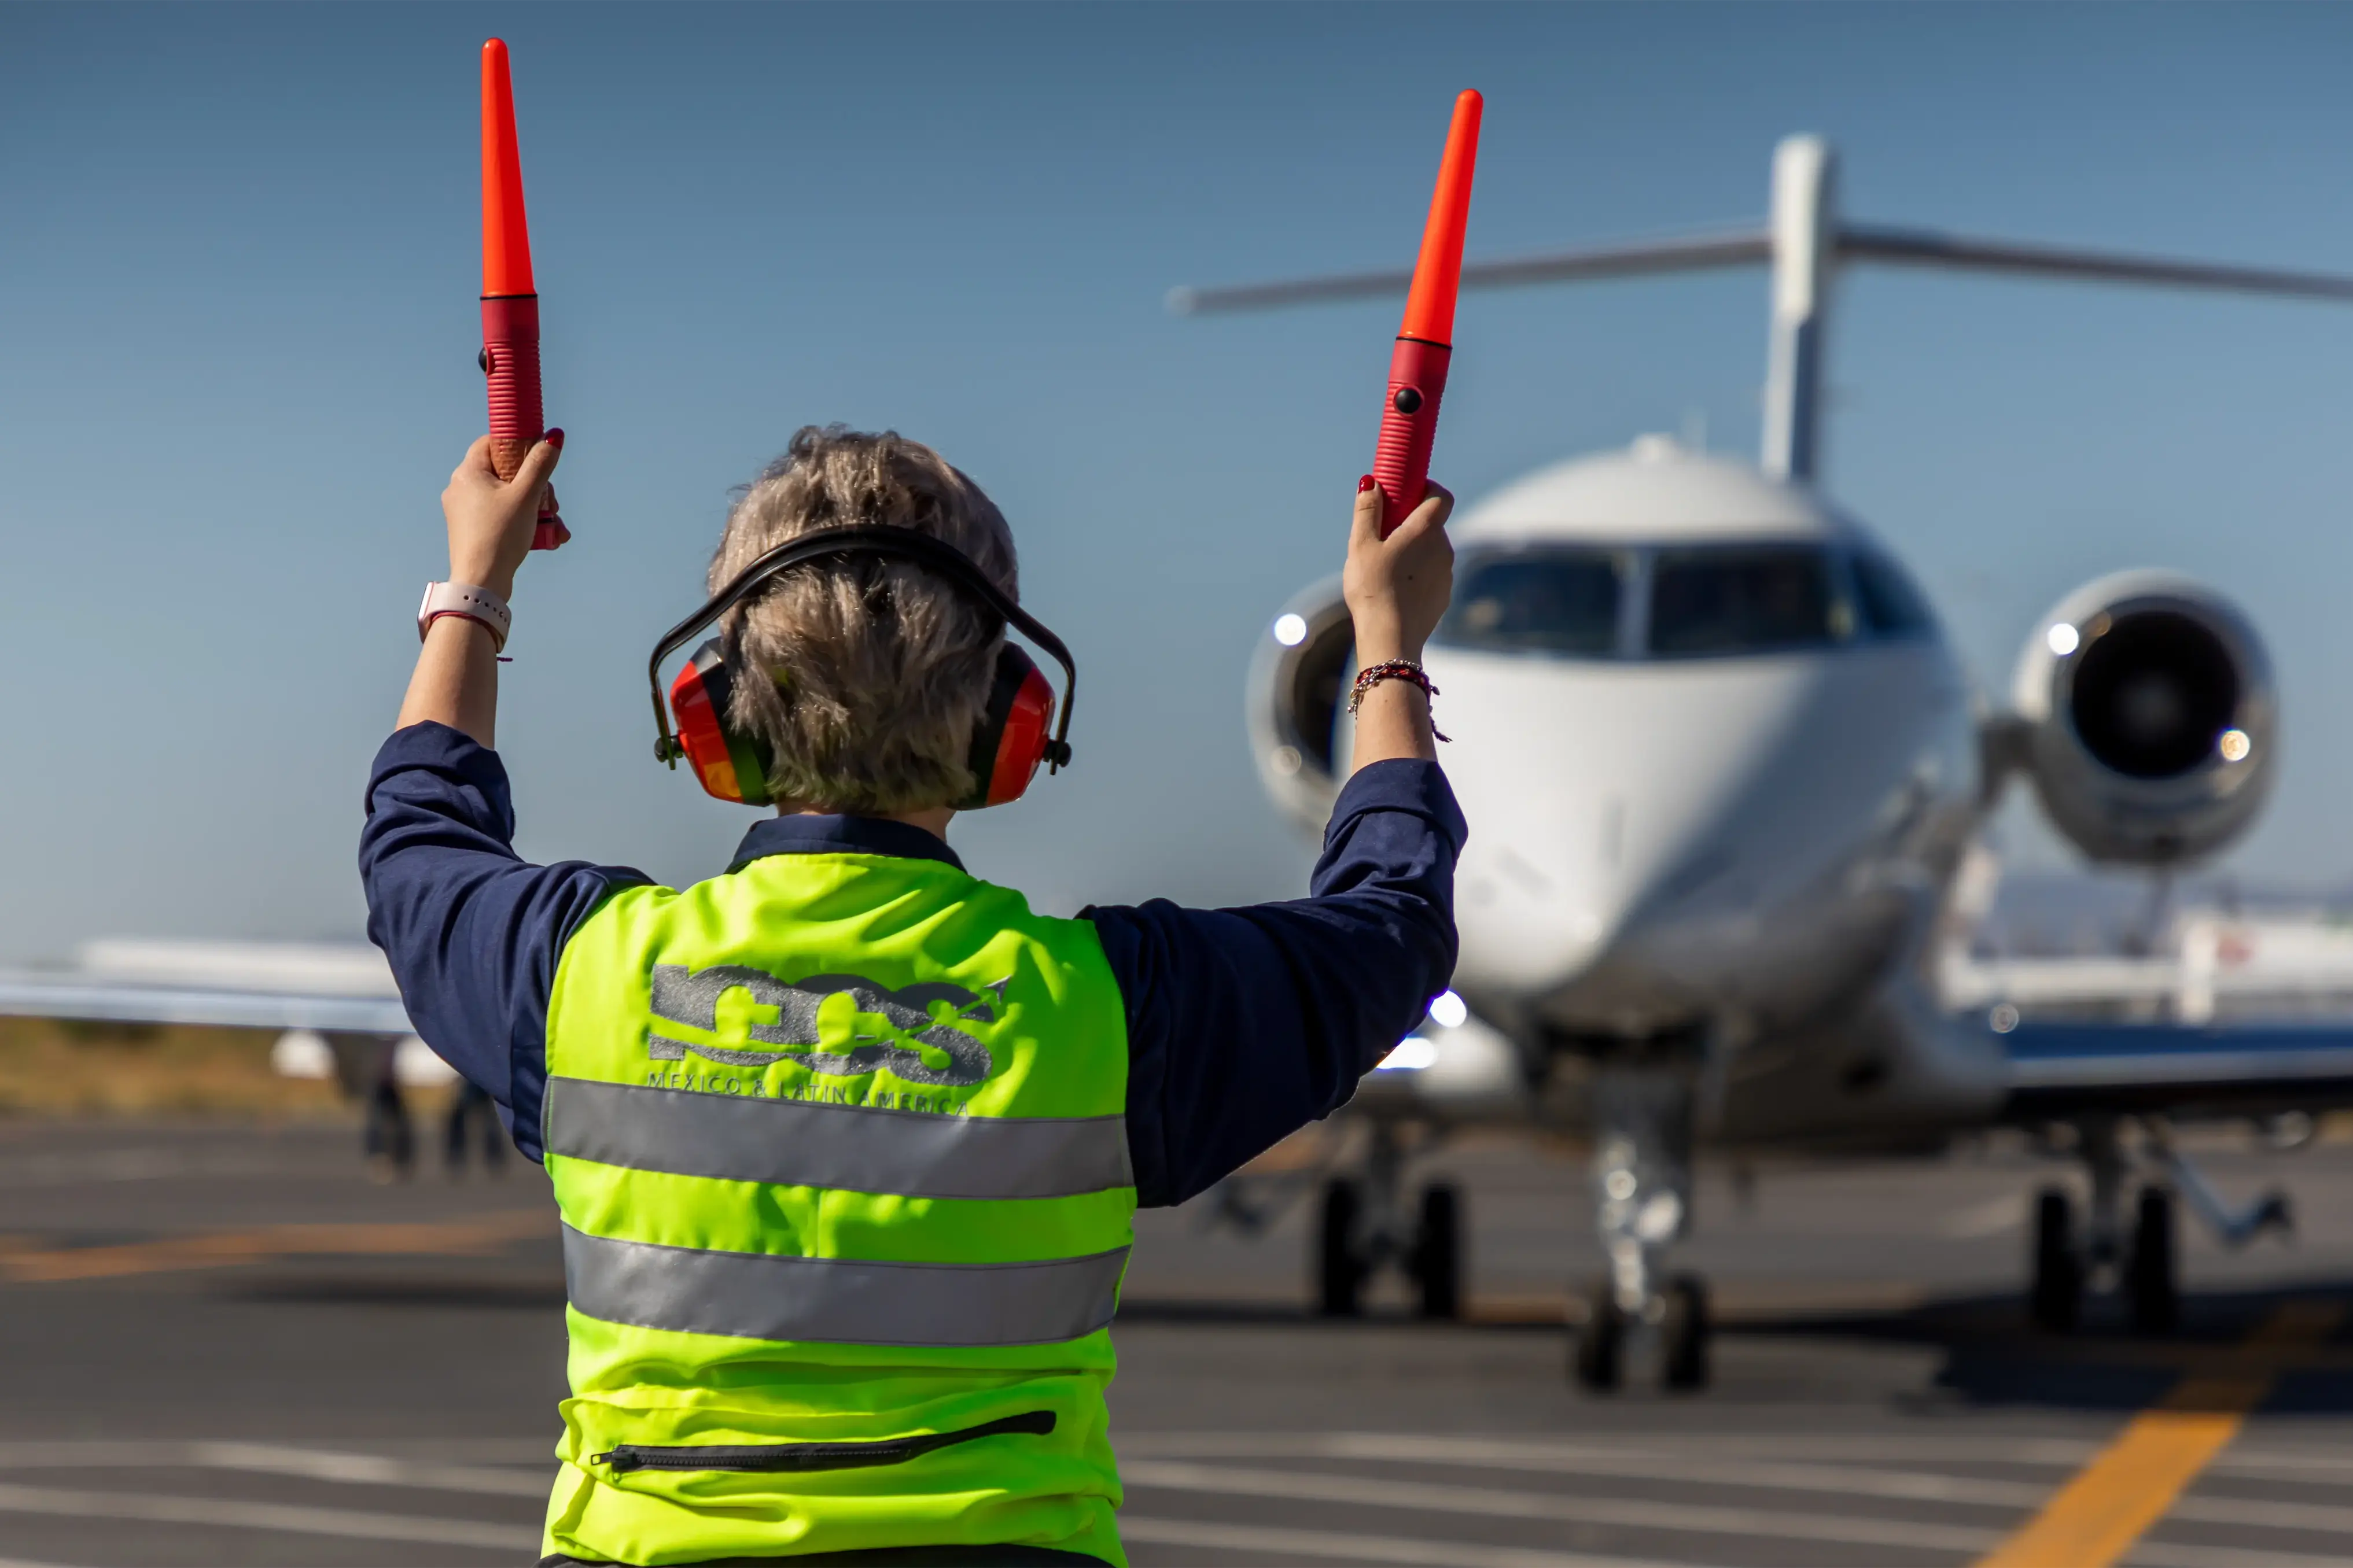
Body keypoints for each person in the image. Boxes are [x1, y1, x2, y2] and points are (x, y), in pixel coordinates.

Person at [360, 424, 1463, 1567]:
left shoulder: (579, 972)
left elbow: (416, 836)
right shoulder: (1102, 1011)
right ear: (1007, 722)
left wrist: (475, 587)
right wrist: (1382, 643)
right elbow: (1390, 918)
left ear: (712, 715)